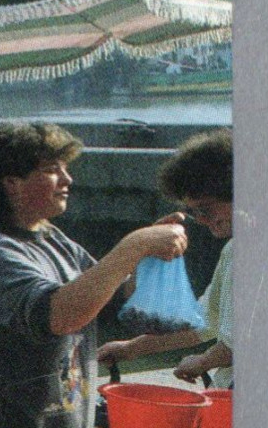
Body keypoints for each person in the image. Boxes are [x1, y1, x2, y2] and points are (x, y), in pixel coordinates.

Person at [0, 122, 188, 428]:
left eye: (65, 168)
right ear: (12, 183)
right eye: (51, 170)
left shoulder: (50, 236)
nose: (67, 180)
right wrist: (133, 245)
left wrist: (146, 257)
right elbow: (58, 315)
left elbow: (115, 292)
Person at [97, 129, 233, 387]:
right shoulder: (234, 250)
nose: (201, 220)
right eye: (194, 212)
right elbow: (206, 321)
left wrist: (202, 361)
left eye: (206, 208)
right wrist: (131, 349)